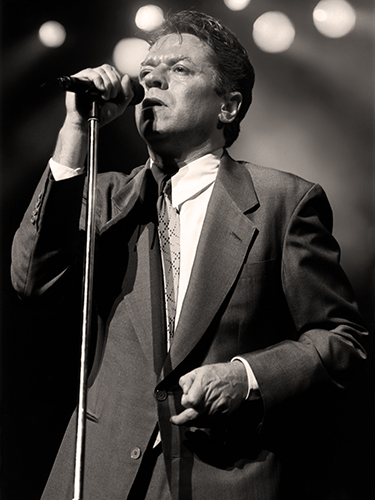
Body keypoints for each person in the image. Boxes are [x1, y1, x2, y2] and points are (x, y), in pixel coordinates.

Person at [11, 10, 369, 500]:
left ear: (228, 106)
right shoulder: (104, 198)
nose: (153, 77)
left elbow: (342, 340)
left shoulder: (285, 201)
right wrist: (76, 128)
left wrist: (247, 377)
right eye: (147, 71)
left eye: (179, 69)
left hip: (220, 475)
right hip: (99, 472)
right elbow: (31, 275)